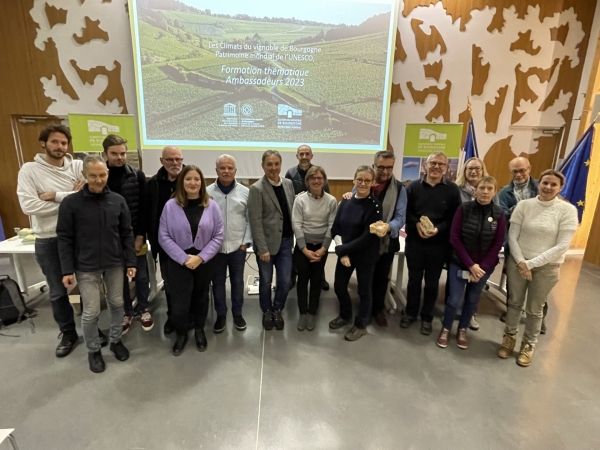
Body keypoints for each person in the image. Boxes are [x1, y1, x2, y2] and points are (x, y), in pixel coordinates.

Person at [16, 125, 107, 357]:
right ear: (43, 144)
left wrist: (54, 195)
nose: (60, 147)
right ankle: (68, 333)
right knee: (57, 291)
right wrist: (73, 196)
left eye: (64, 143)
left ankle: (92, 328)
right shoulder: (29, 170)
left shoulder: (78, 166)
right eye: (55, 142)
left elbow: (92, 192)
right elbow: (29, 205)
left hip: (80, 238)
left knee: (88, 287)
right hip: (49, 239)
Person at [56, 156, 136, 373]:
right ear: (84, 175)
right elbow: (64, 238)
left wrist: (130, 261)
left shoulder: (118, 201)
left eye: (102, 175)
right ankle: (93, 350)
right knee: (90, 312)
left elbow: (127, 233)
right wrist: (67, 269)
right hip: (85, 266)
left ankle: (116, 341)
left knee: (117, 304)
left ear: (107, 174)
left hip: (114, 263)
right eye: (93, 176)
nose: (99, 180)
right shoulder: (71, 203)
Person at [497, 169, 577, 367]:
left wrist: (531, 264)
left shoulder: (568, 211)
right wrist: (521, 261)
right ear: (538, 184)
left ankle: (528, 345)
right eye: (545, 183)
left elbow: (562, 245)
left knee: (535, 309)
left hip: (546, 268)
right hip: (518, 262)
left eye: (553, 184)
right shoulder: (524, 205)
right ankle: (509, 339)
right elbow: (513, 236)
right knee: (514, 303)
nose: (548, 187)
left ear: (560, 188)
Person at [159, 165, 224, 355]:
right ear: (182, 182)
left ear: (202, 182)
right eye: (188, 179)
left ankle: (199, 330)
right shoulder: (170, 206)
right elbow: (163, 236)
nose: (193, 183)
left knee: (201, 298)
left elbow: (219, 235)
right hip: (179, 262)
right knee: (180, 304)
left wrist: (201, 257)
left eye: (196, 179)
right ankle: (181, 333)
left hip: (204, 261)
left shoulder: (212, 206)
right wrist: (184, 258)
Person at [437, 176, 506, 349]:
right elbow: (454, 237)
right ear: (476, 190)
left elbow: (498, 243)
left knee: (472, 299)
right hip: (460, 263)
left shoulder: (499, 214)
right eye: (482, 188)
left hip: (484, 268)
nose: (485, 191)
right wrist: (470, 265)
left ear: (494, 191)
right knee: (454, 299)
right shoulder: (464, 209)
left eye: (490, 188)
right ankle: (446, 328)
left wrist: (481, 268)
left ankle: (462, 329)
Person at [401, 152, 462, 335]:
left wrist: (438, 229)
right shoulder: (413, 188)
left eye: (440, 164)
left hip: (439, 244)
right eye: (433, 163)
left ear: (446, 168)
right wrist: (417, 224)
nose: (436, 167)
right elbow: (406, 212)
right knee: (413, 280)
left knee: (432, 283)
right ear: (425, 166)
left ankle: (427, 317)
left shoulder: (452, 189)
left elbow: (455, 217)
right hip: (415, 242)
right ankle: (411, 313)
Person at [101, 135, 152, 335]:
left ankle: (144, 308)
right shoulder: (100, 176)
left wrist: (140, 236)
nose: (119, 157)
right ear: (105, 154)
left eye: (122, 153)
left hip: (134, 236)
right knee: (118, 278)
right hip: (110, 239)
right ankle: (126, 312)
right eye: (114, 154)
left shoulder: (137, 176)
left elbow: (144, 209)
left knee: (140, 275)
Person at [329, 166, 382, 341]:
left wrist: (342, 250)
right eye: (359, 179)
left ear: (372, 183)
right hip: (346, 254)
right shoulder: (345, 201)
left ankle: (361, 325)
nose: (363, 183)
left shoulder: (375, 206)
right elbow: (336, 228)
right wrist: (343, 253)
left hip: (366, 255)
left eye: (367, 180)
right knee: (339, 286)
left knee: (364, 291)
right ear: (354, 180)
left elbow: (368, 237)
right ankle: (345, 315)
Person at [498, 157, 549, 332]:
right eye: (515, 171)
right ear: (510, 172)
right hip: (515, 242)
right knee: (513, 282)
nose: (519, 174)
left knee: (539, 285)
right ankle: (512, 311)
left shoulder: (542, 186)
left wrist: (519, 211)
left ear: (529, 168)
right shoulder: (504, 193)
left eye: (522, 170)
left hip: (540, 245)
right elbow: (504, 214)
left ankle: (538, 317)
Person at [248, 150, 295, 331]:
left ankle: (278, 309)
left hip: (285, 243)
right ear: (263, 166)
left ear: (281, 165)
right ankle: (267, 310)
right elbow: (255, 221)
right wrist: (262, 248)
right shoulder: (257, 189)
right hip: (266, 245)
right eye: (269, 164)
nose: (273, 168)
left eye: (276, 164)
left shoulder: (289, 184)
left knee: (284, 281)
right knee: (266, 281)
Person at [206, 154, 252, 333]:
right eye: (222, 168)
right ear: (216, 170)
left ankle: (238, 313)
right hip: (215, 250)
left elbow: (250, 220)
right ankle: (221, 315)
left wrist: (245, 243)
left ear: (235, 171)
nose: (226, 171)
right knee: (217, 283)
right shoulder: (207, 193)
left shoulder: (245, 192)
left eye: (230, 168)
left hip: (237, 248)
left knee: (237, 282)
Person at [454, 157, 497, 331]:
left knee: (474, 290)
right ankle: (453, 309)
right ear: (464, 171)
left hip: (482, 249)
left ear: (482, 170)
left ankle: (470, 313)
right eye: (470, 168)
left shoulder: (491, 191)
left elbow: (497, 216)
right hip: (460, 247)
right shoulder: (456, 191)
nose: (473, 172)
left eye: (477, 169)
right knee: (455, 287)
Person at [291, 165, 337, 331]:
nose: (316, 181)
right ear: (307, 181)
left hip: (321, 248)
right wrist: (304, 249)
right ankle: (303, 312)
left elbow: (332, 225)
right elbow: (296, 224)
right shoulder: (300, 200)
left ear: (324, 180)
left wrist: (323, 249)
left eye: (319, 178)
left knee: (316, 281)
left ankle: (312, 312)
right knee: (302, 280)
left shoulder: (331, 201)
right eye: (313, 178)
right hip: (303, 247)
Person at [147, 145, 184, 335]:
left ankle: (190, 315)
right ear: (162, 161)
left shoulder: (189, 180)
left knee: (189, 283)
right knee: (169, 283)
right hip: (164, 245)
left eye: (178, 159)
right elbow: (148, 214)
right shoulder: (153, 184)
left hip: (189, 245)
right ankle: (172, 317)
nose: (175, 163)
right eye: (170, 160)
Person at [285, 144, 331, 291]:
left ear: (311, 156)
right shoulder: (290, 173)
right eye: (301, 154)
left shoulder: (318, 173)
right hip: (297, 216)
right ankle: (293, 276)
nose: (304, 157)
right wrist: (297, 199)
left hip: (316, 219)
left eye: (307, 154)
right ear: (297, 156)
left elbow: (326, 194)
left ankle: (321, 277)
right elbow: (286, 194)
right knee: (295, 248)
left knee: (318, 247)